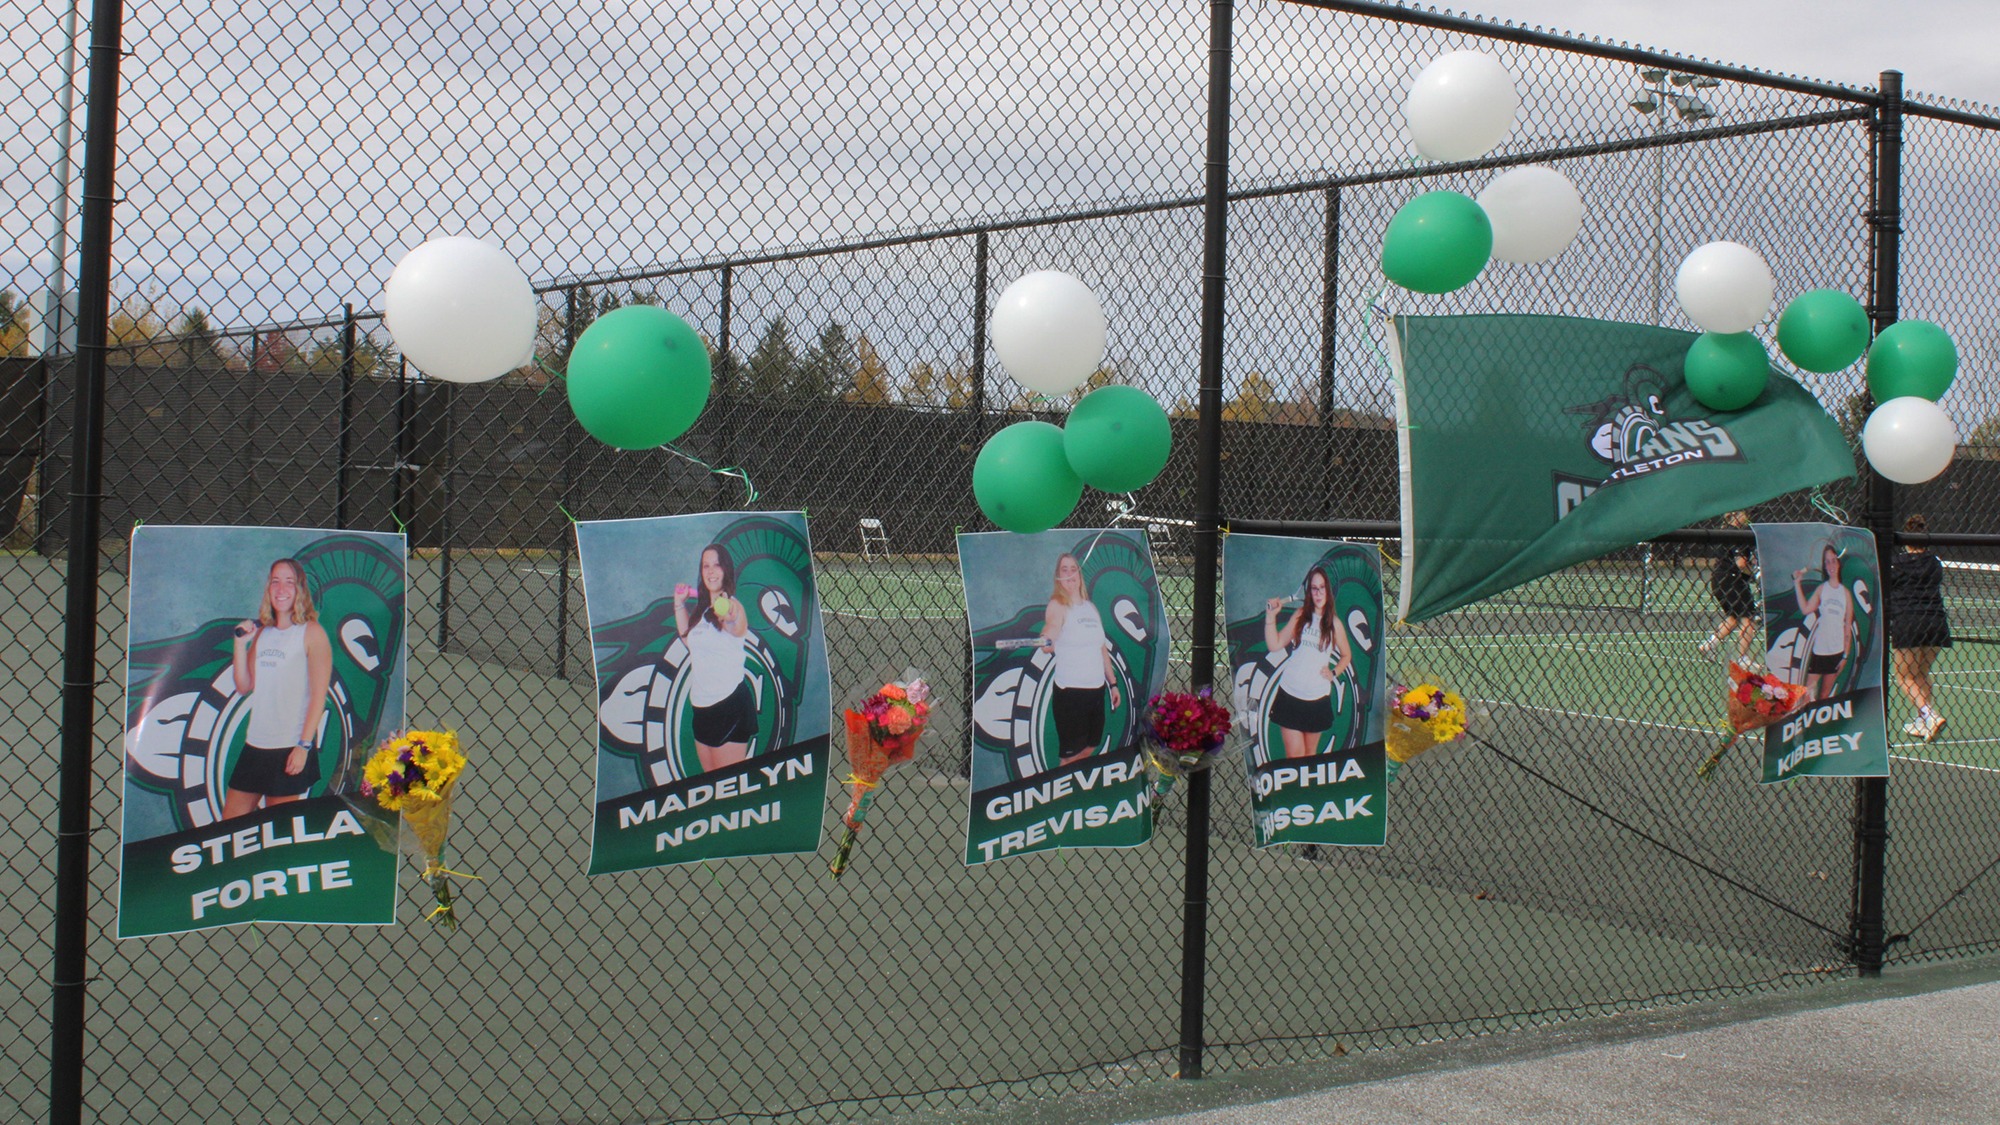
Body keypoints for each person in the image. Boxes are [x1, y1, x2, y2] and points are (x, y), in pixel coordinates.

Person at [224, 558, 333, 820]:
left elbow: (319, 696)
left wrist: (303, 747)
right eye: (275, 581)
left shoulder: (312, 633)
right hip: (255, 745)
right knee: (227, 829)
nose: (281, 589)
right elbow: (244, 685)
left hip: (289, 747)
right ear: (268, 588)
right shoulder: (262, 633)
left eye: (289, 582)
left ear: (299, 590)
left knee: (276, 831)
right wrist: (240, 645)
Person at [675, 543, 756, 772]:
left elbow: (736, 623)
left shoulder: (733, 606)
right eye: (706, 566)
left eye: (717, 565)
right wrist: (678, 604)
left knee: (729, 784)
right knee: (711, 783)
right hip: (701, 711)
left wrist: (728, 611)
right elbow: (688, 640)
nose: (711, 571)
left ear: (726, 570)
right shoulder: (701, 613)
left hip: (729, 708)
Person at [1262, 565, 1355, 760]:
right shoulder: (1300, 616)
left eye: (1322, 588)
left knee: (1310, 756)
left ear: (1328, 591)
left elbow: (1346, 655)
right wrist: (1271, 617)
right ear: (1309, 592)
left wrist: (1334, 672)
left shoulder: (1334, 624)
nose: (1318, 592)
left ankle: (1306, 791)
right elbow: (1275, 644)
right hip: (1290, 695)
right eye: (1314, 588)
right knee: (1295, 756)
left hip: (1317, 699)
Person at [1039, 553, 1121, 768]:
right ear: (1058, 577)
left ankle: (1070, 788)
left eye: (1073, 568)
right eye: (1064, 570)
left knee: (1090, 747)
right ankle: (1061, 795)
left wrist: (1113, 684)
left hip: (1096, 691)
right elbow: (1051, 629)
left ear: (1079, 574)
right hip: (1070, 694)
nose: (1069, 574)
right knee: (1069, 757)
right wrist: (1046, 641)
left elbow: (1101, 648)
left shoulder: (1090, 608)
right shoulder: (1057, 605)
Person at [1890, 514, 1952, 741]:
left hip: (1909, 623)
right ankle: (1922, 721)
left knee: (1905, 677)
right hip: (1936, 623)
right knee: (1921, 674)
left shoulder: (1897, 564)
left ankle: (1930, 715)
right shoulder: (1934, 563)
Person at [1792, 543, 1854, 705]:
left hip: (1836, 652)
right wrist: (1797, 583)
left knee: (1824, 696)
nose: (1831, 565)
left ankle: (1819, 729)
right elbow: (1806, 609)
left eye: (1834, 560)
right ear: (1824, 566)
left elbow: (1847, 627)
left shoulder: (1846, 594)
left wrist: (1845, 655)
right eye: (1827, 562)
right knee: (1807, 694)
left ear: (1838, 563)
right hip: (1820, 651)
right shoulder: (1822, 589)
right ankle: (1805, 728)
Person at [1699, 511, 1758, 663]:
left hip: (1718, 580)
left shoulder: (1724, 531)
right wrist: (1754, 574)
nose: (1747, 517)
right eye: (1745, 513)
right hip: (1731, 580)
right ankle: (1743, 660)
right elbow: (1741, 564)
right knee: (1748, 619)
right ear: (1738, 515)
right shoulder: (1736, 535)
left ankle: (1709, 645)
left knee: (1733, 618)